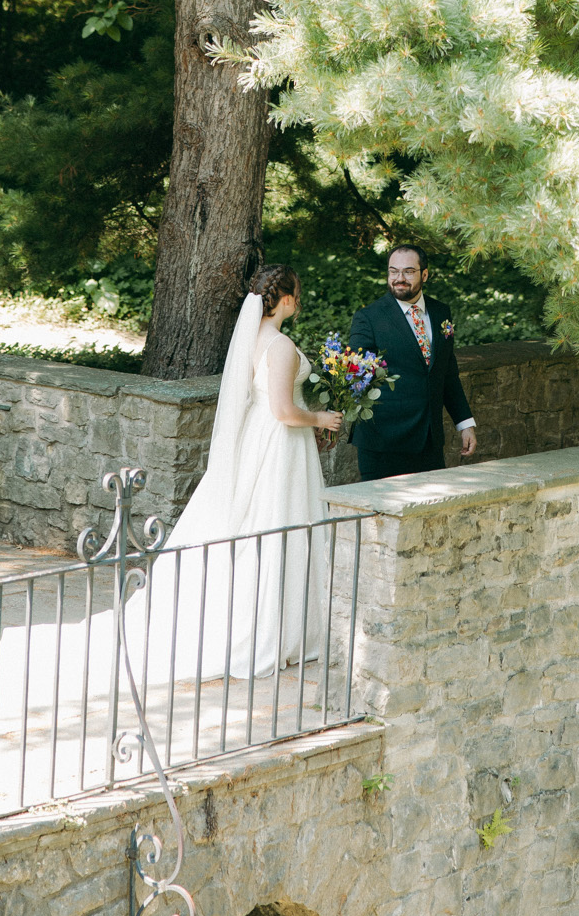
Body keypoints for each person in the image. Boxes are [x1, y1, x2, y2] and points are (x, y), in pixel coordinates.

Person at [134, 264, 344, 677]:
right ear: (285, 298)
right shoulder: (280, 345)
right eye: (296, 294)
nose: (298, 301)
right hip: (279, 445)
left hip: (258, 439)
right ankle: (275, 629)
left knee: (260, 524)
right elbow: (283, 411)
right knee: (280, 523)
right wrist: (320, 419)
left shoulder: (254, 338)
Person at [347, 247, 477, 482]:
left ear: (424, 275)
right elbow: (355, 376)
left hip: (429, 440)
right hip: (383, 443)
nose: (399, 279)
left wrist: (465, 424)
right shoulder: (369, 318)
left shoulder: (441, 313)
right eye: (393, 271)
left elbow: (447, 373)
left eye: (408, 272)